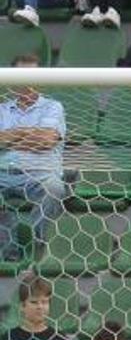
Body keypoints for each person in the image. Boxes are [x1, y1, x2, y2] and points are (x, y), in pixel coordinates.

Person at [0, 54, 66, 261]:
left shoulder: (53, 107)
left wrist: (12, 136)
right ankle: (9, 251)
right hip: (3, 172)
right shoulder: (1, 110)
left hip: (40, 173)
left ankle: (38, 245)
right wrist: (29, 134)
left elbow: (46, 141)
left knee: (54, 188)